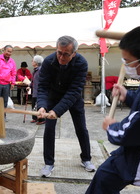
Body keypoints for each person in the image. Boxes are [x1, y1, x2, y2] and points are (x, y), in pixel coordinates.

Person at [86, 25, 140, 193]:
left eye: (128, 62)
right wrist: (127, 95)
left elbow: (131, 132)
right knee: (105, 177)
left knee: (105, 178)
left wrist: (112, 127)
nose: (126, 66)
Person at [37, 35, 96, 177]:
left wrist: (57, 111)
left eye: (66, 54)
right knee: (49, 129)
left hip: (73, 97)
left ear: (74, 53)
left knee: (81, 128)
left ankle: (86, 159)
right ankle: (49, 163)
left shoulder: (81, 63)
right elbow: (43, 87)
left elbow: (74, 90)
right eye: (59, 52)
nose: (61, 57)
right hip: (53, 96)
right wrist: (42, 106)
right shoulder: (48, 61)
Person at [0, 45, 17, 123]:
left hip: (7, 84)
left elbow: (13, 73)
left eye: (11, 52)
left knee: (5, 101)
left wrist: (13, 83)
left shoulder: (12, 61)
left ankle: (3, 116)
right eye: (8, 51)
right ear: (4, 50)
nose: (9, 53)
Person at [27, 55, 45, 125]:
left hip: (39, 91)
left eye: (33, 61)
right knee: (34, 105)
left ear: (37, 62)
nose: (32, 62)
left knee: (39, 105)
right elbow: (33, 81)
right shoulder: (35, 70)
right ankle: (35, 118)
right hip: (34, 91)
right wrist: (30, 86)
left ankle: (41, 119)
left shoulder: (40, 70)